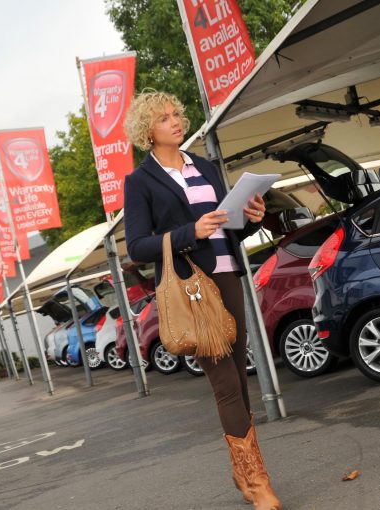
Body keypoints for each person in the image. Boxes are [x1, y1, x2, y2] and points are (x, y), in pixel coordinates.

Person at [123, 90, 282, 510]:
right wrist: (188, 233)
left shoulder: (206, 168)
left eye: (176, 114)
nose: (176, 121)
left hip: (229, 276)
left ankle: (242, 473)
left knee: (239, 380)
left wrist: (251, 219)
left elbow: (227, 228)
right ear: (147, 131)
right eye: (164, 118)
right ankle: (259, 482)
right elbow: (136, 246)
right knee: (226, 384)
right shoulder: (139, 182)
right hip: (191, 287)